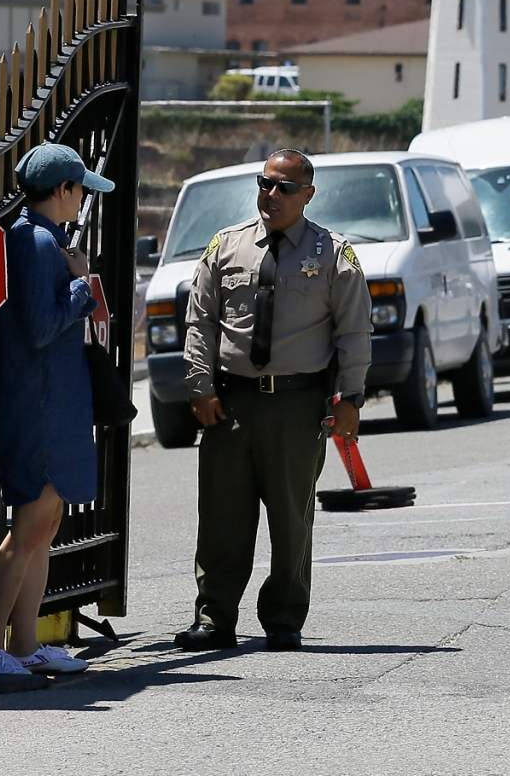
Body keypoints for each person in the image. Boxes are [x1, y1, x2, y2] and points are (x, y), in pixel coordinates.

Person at [174, 149, 368, 652]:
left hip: (297, 405)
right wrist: (200, 386)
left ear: (308, 193)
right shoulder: (226, 246)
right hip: (230, 404)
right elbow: (200, 322)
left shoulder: (332, 253)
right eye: (265, 184)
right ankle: (214, 617)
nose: (272, 195)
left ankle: (283, 618)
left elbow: (353, 332)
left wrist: (351, 397)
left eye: (284, 187)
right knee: (221, 518)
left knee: (290, 517)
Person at [0, 143, 114, 677]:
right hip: (37, 404)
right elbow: (40, 327)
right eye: (79, 188)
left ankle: (24, 644)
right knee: (33, 524)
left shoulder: (42, 238)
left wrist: (80, 282)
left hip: (51, 401)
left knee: (47, 522)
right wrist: (83, 287)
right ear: (63, 190)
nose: (82, 198)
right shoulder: (34, 241)